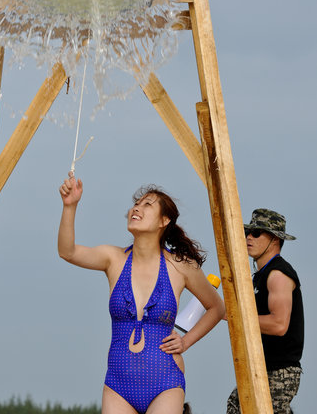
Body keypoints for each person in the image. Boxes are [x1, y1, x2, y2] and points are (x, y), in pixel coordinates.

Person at [58, 172, 225, 414]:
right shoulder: (112, 259)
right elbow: (68, 252)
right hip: (117, 386)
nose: (137, 208)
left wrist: (186, 341)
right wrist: (69, 206)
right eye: (136, 203)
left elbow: (216, 308)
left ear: (164, 221)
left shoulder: (182, 266)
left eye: (147, 205)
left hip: (165, 383)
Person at [226, 209, 304, 414]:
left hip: (279, 371)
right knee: (235, 406)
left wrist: (236, 315)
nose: (249, 237)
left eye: (257, 233)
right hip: (261, 367)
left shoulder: (278, 274)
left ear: (275, 239)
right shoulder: (261, 274)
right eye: (247, 232)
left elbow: (279, 325)